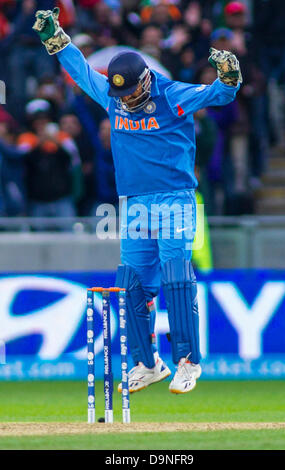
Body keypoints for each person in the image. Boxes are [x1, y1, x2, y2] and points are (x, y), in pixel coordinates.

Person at [32, 7, 241, 394]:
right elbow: (80, 71)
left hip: (175, 199)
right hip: (133, 204)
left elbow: (221, 95)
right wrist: (55, 37)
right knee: (130, 284)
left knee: (177, 275)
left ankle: (187, 361)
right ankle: (148, 363)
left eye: (131, 92)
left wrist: (229, 75)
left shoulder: (173, 94)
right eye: (120, 93)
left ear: (145, 80)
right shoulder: (112, 97)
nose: (125, 100)